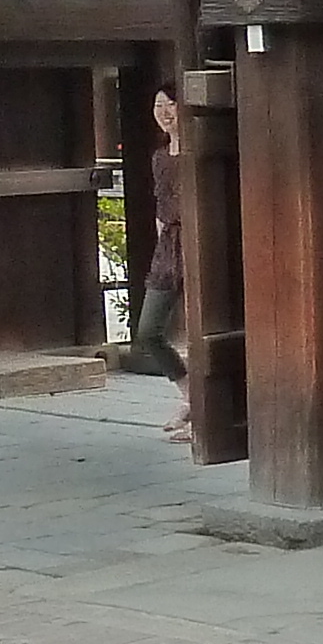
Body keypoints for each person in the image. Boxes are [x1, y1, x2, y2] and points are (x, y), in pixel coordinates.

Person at [130, 85, 189, 436]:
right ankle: (190, 397)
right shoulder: (159, 156)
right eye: (158, 105)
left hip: (197, 244)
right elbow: (159, 206)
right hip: (167, 246)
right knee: (148, 331)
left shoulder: (198, 153)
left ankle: (207, 416)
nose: (164, 111)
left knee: (201, 332)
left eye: (171, 104)